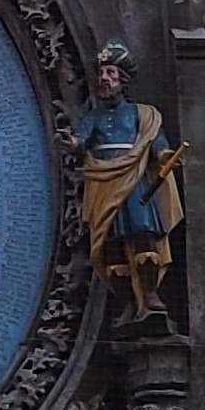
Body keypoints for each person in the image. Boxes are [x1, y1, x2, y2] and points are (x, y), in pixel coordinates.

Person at [74, 38, 181, 317]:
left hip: (134, 181)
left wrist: (164, 155)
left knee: (143, 234)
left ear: (122, 80)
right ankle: (126, 302)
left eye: (110, 73)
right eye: (102, 73)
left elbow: (154, 139)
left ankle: (149, 294)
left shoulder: (140, 113)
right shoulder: (94, 117)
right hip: (104, 183)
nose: (104, 79)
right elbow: (80, 140)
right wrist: (69, 142)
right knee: (111, 244)